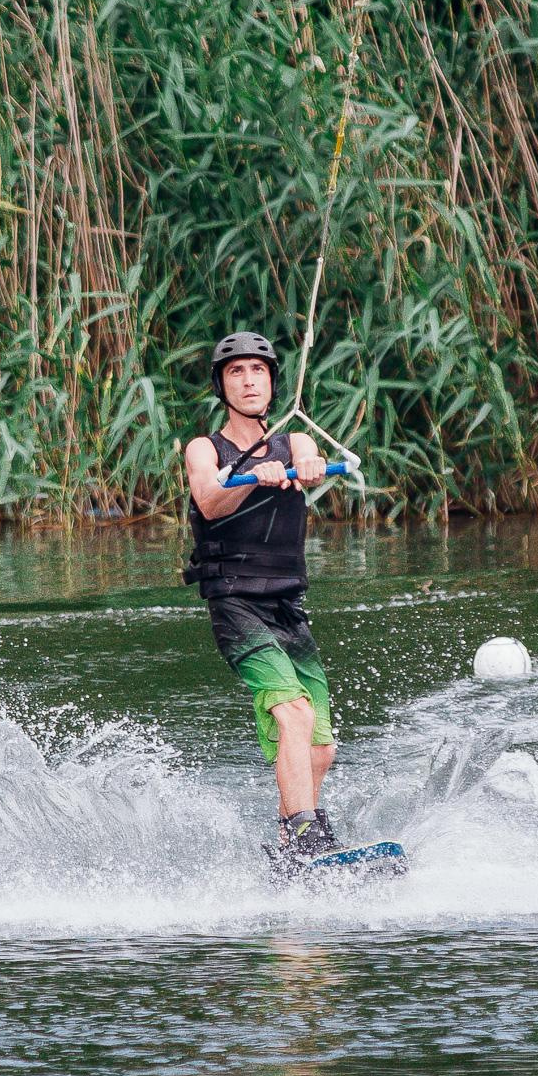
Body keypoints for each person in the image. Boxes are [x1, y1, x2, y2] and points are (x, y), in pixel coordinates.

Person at [183, 331, 341, 864]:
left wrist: (311, 465)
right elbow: (208, 500)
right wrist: (253, 477)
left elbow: (310, 454)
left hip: (286, 605)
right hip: (235, 602)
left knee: (322, 747)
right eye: (236, 372)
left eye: (258, 371)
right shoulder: (205, 448)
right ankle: (303, 835)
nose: (248, 380)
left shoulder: (293, 443)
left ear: (273, 382)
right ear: (222, 385)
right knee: (292, 714)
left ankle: (290, 846)